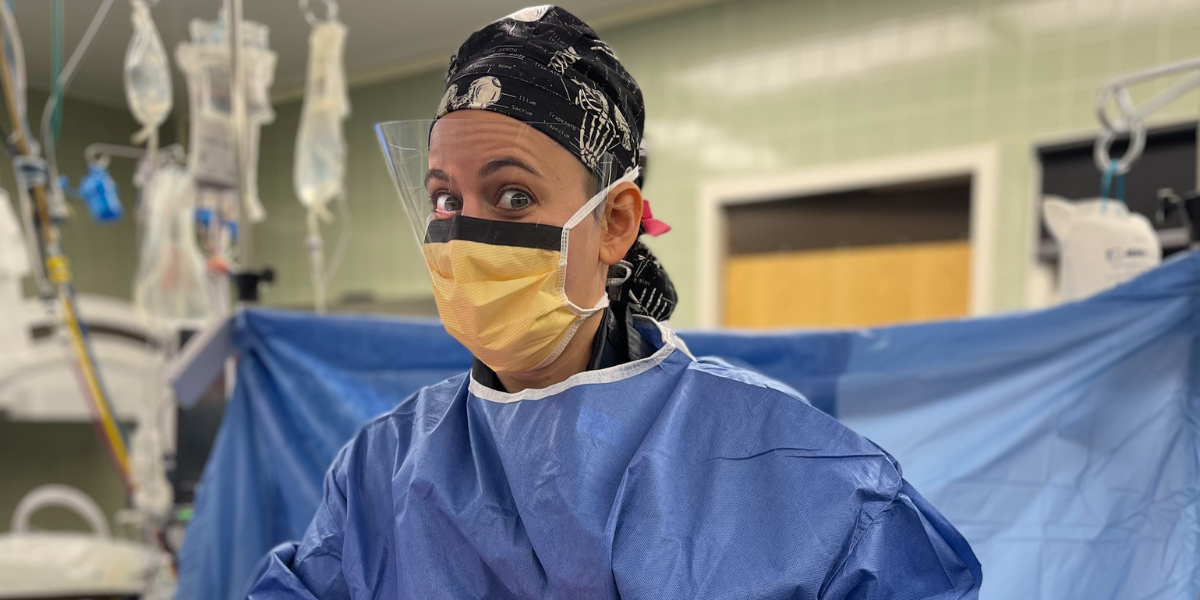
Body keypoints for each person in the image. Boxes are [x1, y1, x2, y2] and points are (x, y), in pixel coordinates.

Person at [246, 6, 981, 599]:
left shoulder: (794, 469)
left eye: (513, 194)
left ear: (616, 223)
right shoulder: (385, 469)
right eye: (444, 196)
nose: (463, 233)